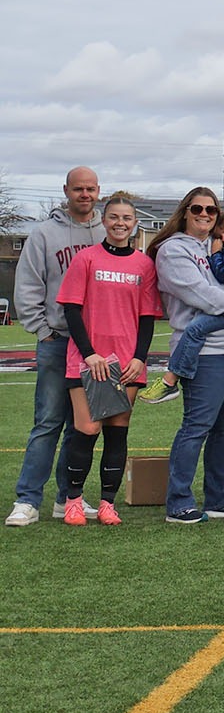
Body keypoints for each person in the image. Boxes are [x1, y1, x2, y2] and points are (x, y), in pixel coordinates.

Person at [152, 188, 224, 524]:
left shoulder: (220, 244)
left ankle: (219, 497)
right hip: (206, 352)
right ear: (185, 211)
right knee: (197, 426)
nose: (205, 214)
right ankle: (179, 501)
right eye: (198, 208)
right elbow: (203, 296)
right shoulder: (173, 250)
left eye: (212, 210)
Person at [51, 191, 157, 526]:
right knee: (86, 428)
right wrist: (90, 354)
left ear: (135, 224)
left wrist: (139, 359)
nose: (120, 223)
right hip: (88, 361)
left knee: (117, 430)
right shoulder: (86, 259)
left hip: (126, 364)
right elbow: (71, 308)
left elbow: (147, 317)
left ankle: (108, 503)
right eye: (114, 217)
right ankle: (73, 501)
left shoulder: (144, 264)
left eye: (127, 218)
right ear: (103, 220)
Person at [8, 165, 103, 527]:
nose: (84, 194)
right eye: (78, 188)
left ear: (98, 190)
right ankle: (27, 499)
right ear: (66, 190)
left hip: (95, 347)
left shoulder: (107, 231)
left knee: (82, 426)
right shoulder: (45, 234)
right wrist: (43, 331)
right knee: (47, 422)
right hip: (59, 340)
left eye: (90, 188)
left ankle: (68, 498)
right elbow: (28, 286)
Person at [139, 209, 224, 402]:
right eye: (220, 236)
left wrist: (216, 253)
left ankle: (170, 381)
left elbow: (223, 272)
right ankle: (172, 380)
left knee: (195, 328)